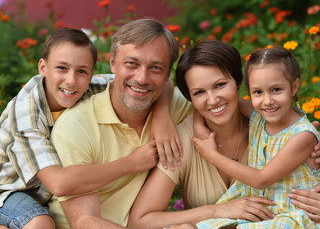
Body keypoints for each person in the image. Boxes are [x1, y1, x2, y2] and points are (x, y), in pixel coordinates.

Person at [0, 27, 180, 229]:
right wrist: (131, 163)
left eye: (81, 71)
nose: (71, 80)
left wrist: (162, 116)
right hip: (11, 191)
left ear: (91, 73)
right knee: (39, 224)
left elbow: (157, 83)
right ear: (42, 67)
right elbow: (58, 184)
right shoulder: (26, 113)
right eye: (62, 68)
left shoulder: (91, 86)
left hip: (45, 195)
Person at [128, 40, 320, 229]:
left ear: (237, 83)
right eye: (199, 93)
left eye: (220, 85)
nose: (212, 100)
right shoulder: (184, 140)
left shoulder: (264, 122)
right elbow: (140, 222)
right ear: (190, 98)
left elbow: (294, 136)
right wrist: (217, 211)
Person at [47, 18, 193, 228]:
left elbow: (228, 108)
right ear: (113, 63)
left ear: (167, 73)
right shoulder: (77, 126)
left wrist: (162, 113)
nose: (142, 78)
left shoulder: (177, 108)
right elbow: (85, 222)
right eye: (131, 64)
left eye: (156, 68)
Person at [194, 46, 320, 228]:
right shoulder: (259, 116)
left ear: (294, 87)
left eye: (276, 89)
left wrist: (213, 156)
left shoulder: (303, 135)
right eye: (258, 92)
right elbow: (216, 103)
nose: (267, 101)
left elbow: (261, 179)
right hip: (259, 206)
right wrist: (198, 126)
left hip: (291, 214)